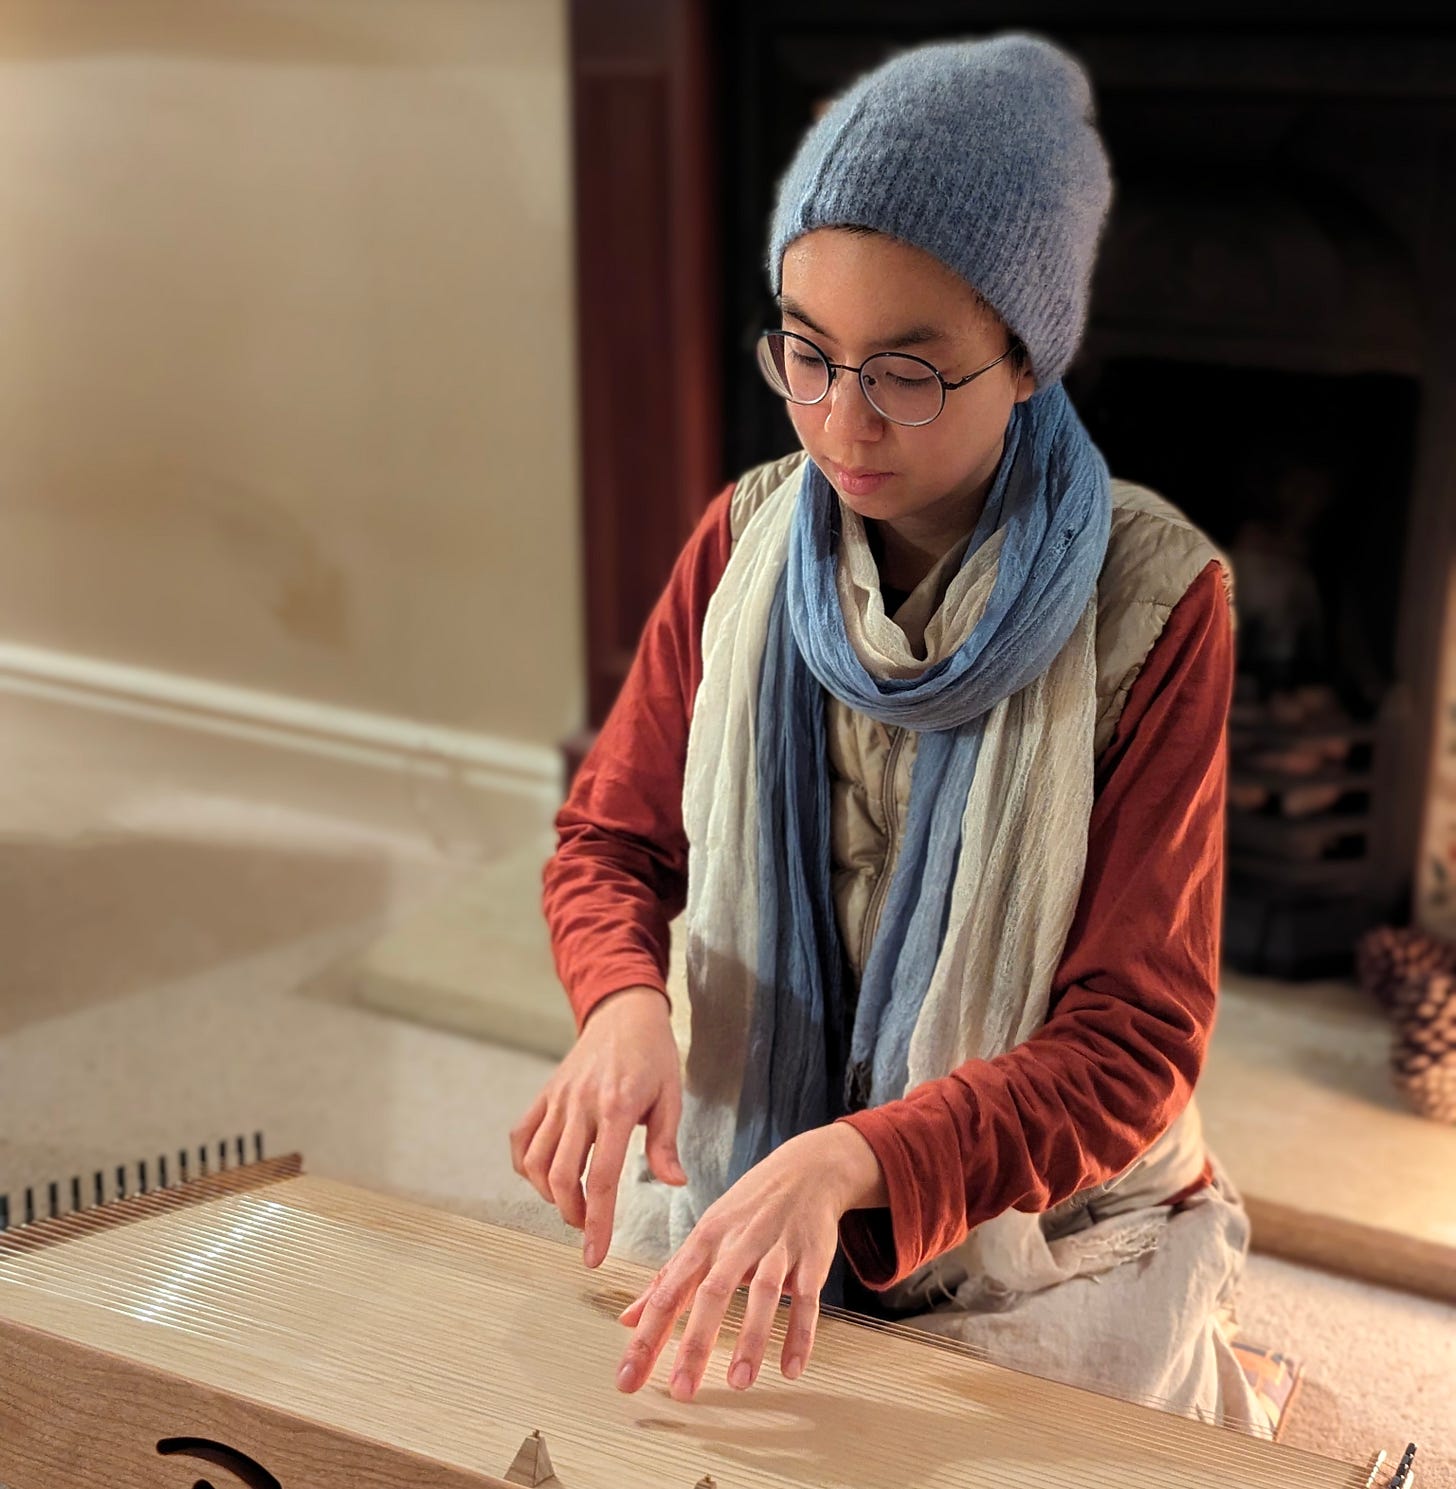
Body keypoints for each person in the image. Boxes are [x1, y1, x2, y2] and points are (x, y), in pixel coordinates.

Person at [510, 33, 1267, 1432]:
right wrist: (622, 1002)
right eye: (807, 351)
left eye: (907, 370)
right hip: (767, 1144)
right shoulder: (740, 536)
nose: (840, 422)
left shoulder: (1162, 601)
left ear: (1027, 356)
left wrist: (859, 1162)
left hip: (1031, 1210)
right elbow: (607, 840)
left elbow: (1133, 1041)